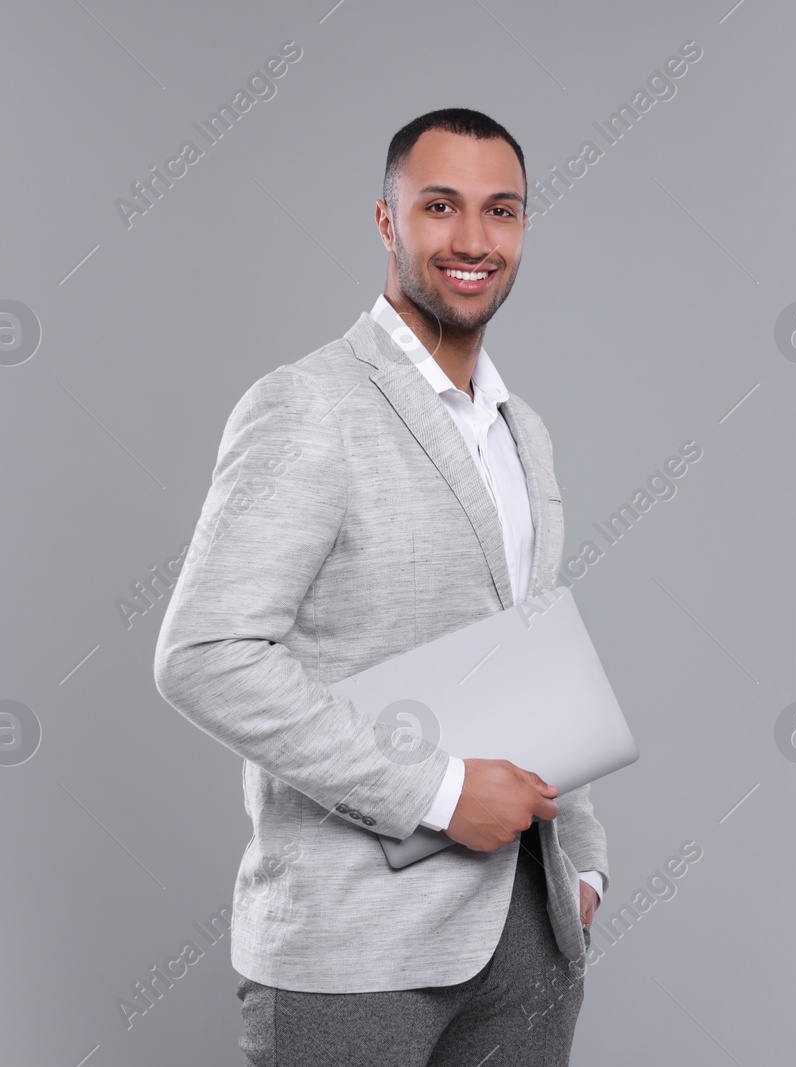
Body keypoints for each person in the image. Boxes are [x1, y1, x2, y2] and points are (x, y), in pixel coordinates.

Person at [154, 107, 610, 1066]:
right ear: (386, 221)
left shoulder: (523, 429)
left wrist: (587, 860)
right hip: (352, 953)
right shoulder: (308, 406)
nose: (474, 240)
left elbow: (529, 654)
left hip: (529, 940)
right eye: (440, 206)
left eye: (503, 211)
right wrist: (437, 792)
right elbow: (203, 655)